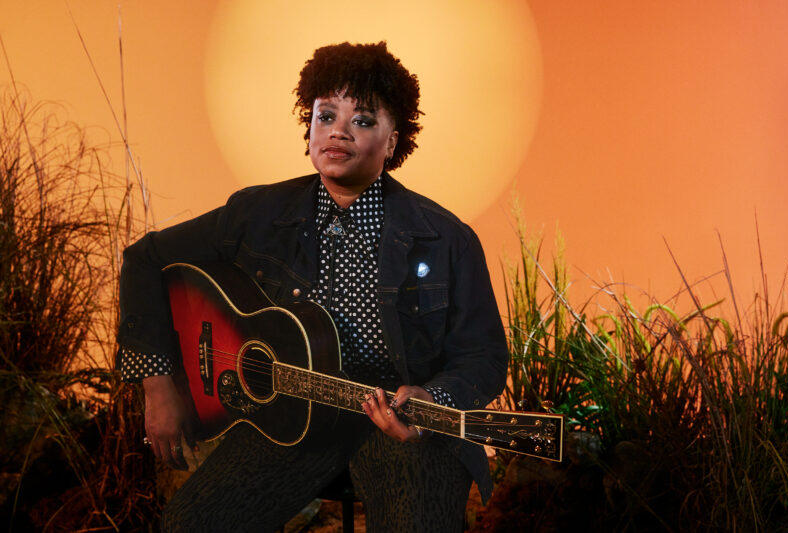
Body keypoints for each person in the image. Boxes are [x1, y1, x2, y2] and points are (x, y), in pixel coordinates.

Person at [117, 41, 508, 532]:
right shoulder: (259, 213)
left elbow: (485, 356)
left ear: (393, 141)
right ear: (308, 129)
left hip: (402, 427)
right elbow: (144, 259)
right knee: (193, 523)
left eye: (363, 120)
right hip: (291, 415)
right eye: (326, 115)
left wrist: (435, 401)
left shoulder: (447, 238)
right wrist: (158, 385)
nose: (339, 131)